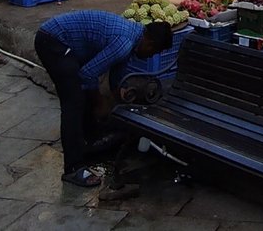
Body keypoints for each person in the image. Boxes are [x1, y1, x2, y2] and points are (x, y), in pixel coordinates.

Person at [34, 12, 173, 187]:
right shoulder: (124, 42)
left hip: (61, 39)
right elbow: (87, 74)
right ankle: (73, 168)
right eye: (154, 52)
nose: (152, 56)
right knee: (73, 102)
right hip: (53, 41)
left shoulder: (134, 36)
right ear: (150, 43)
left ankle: (88, 142)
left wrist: (117, 92)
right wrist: (100, 103)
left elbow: (117, 69)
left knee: (83, 96)